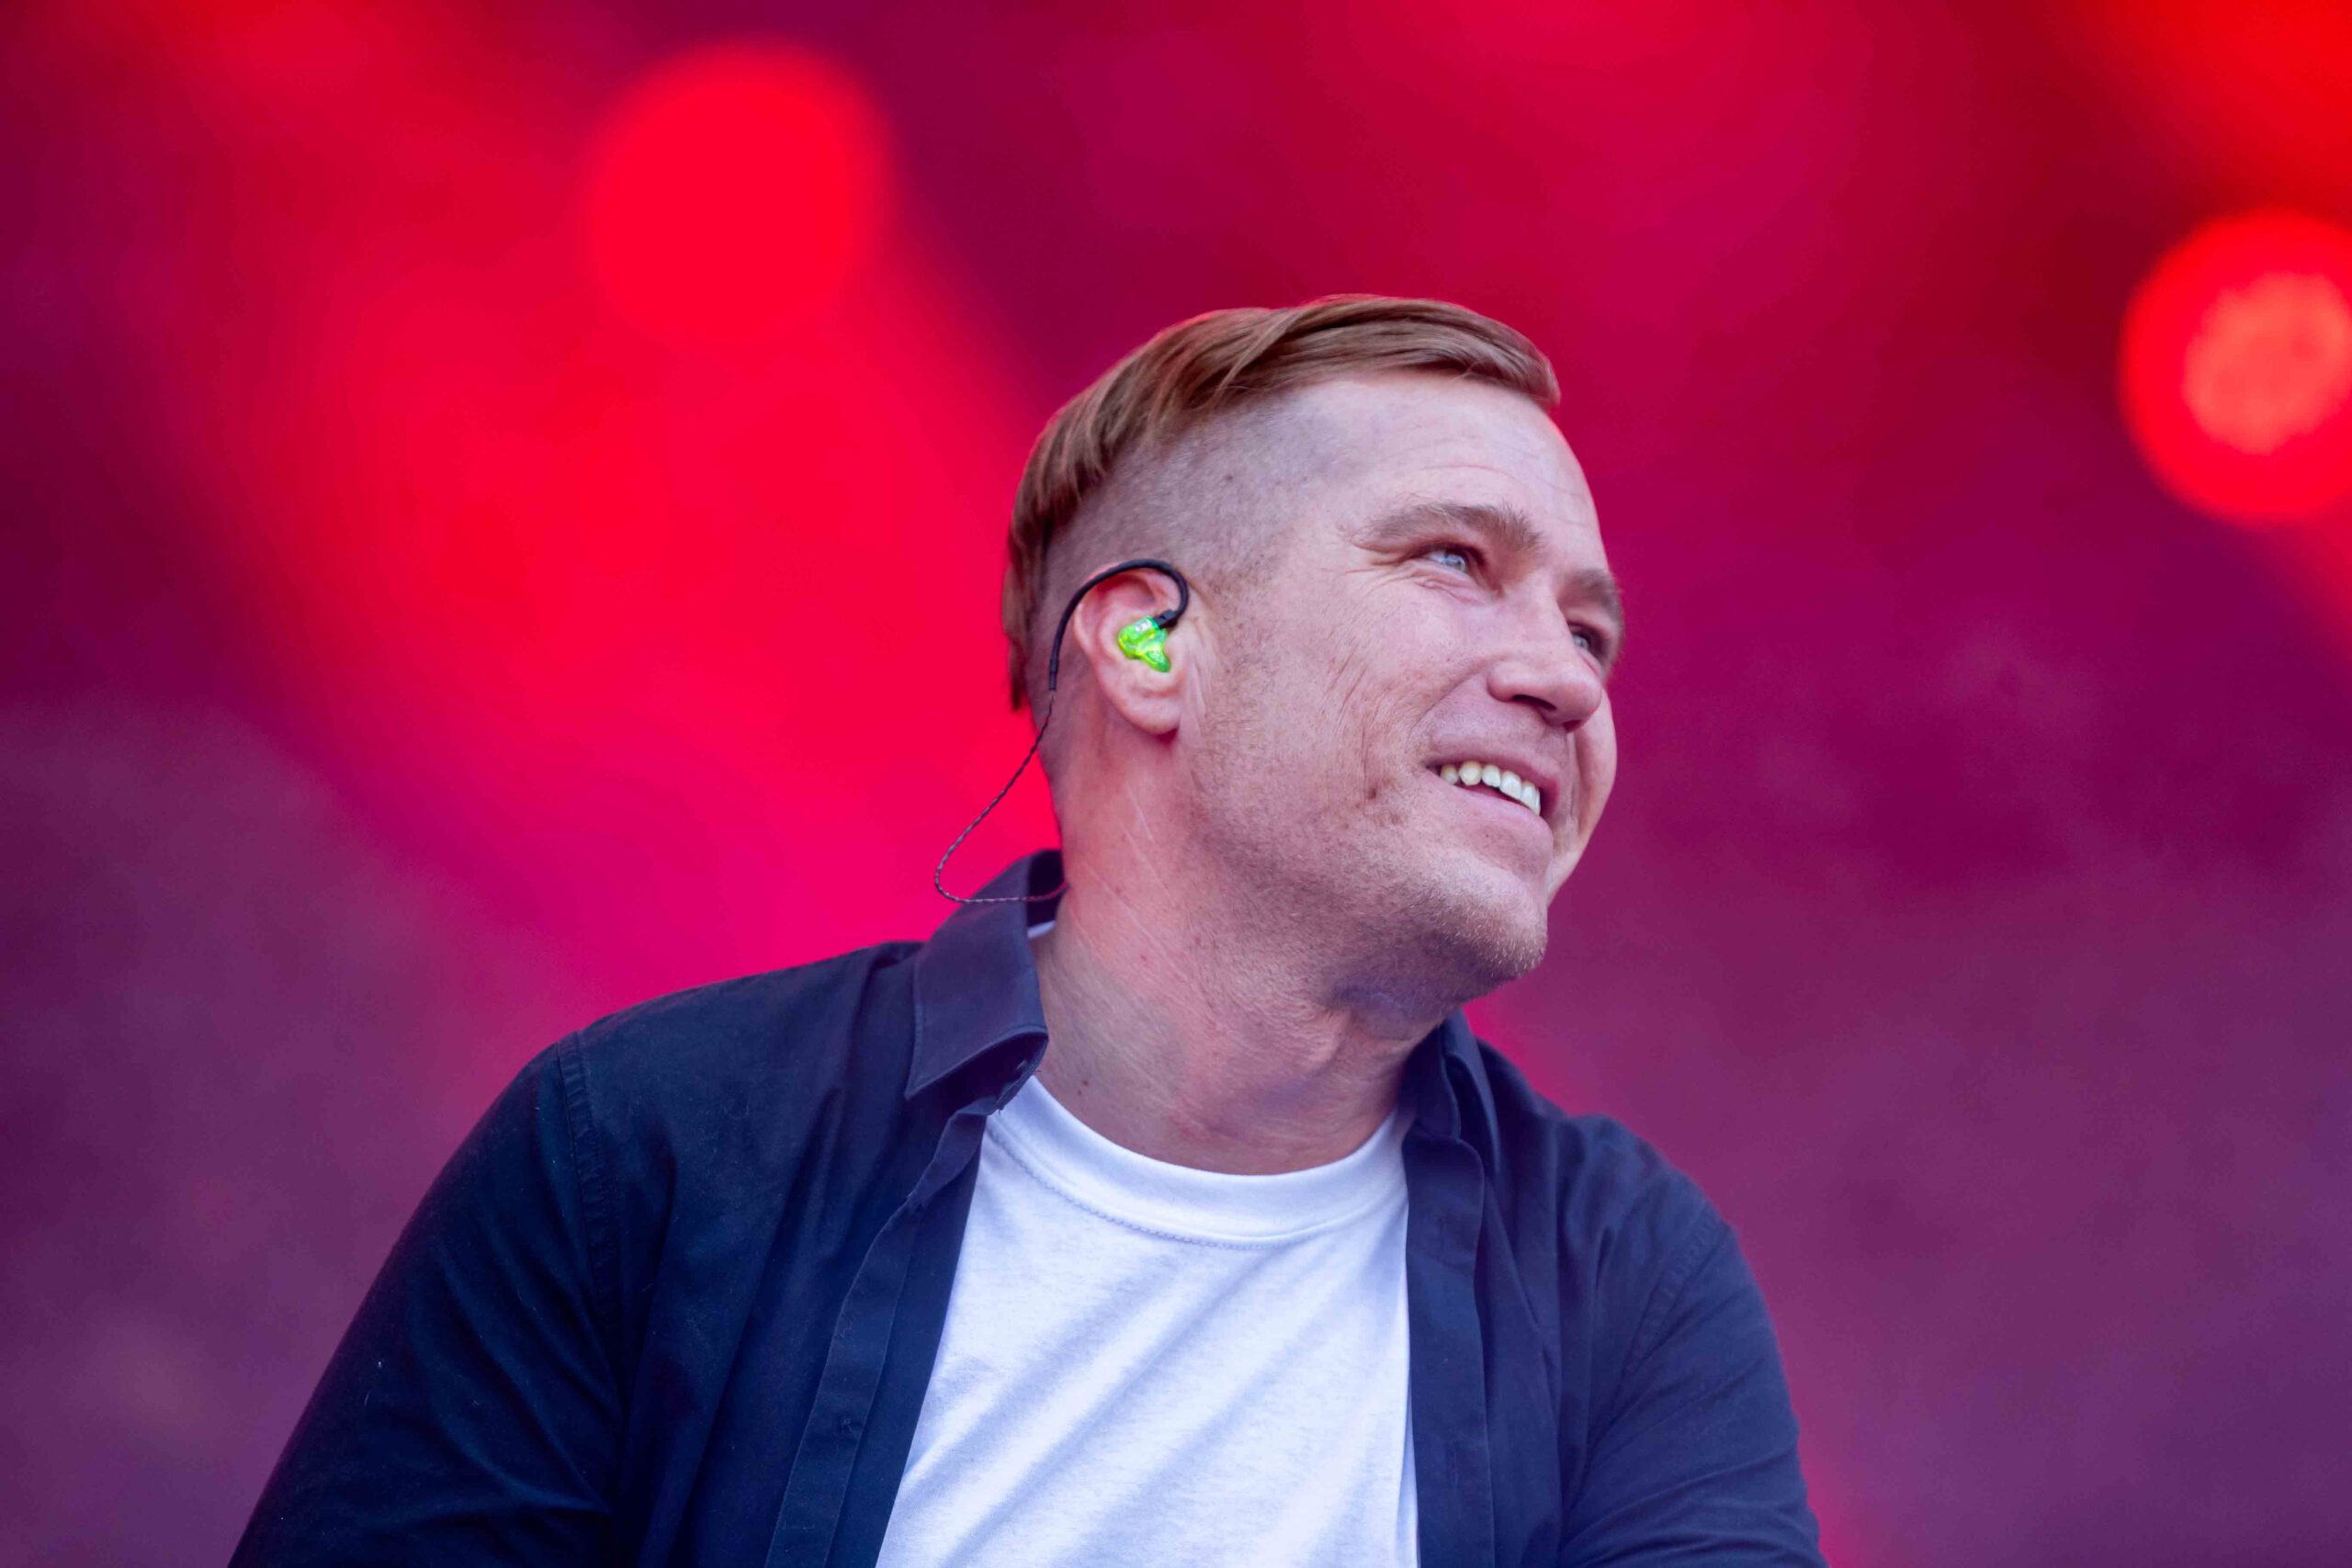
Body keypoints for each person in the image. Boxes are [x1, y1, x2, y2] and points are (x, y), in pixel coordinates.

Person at [232, 296, 1824, 1566]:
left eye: (1590, 628)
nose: (1567, 680)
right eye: (1456, 562)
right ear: (1148, 644)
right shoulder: (643, 1153)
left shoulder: (1628, 1275)